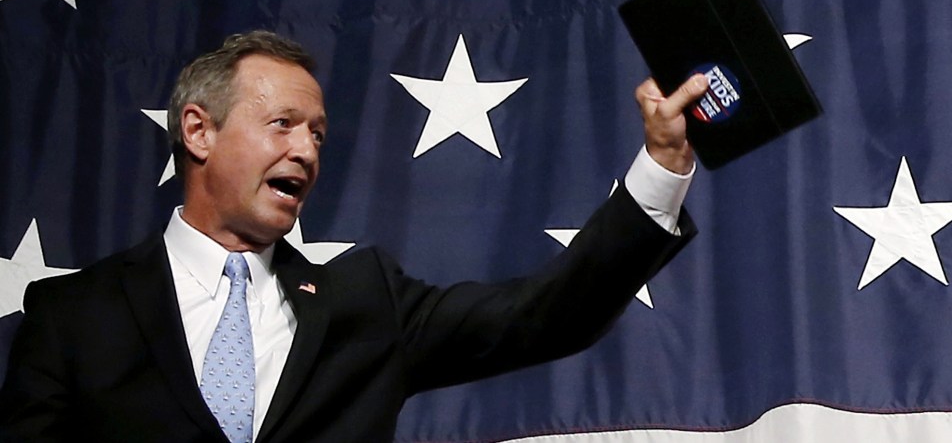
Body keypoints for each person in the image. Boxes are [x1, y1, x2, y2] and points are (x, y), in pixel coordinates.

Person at [0, 30, 709, 442]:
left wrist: (662, 166)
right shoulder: (74, 316)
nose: (306, 151)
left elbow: (546, 316)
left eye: (317, 134)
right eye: (281, 124)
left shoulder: (365, 304)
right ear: (199, 130)